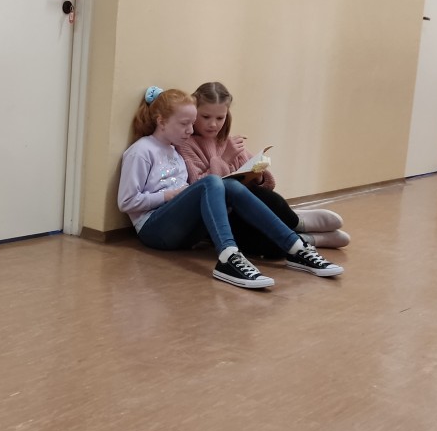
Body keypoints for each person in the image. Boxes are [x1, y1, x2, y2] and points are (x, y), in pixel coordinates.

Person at [117, 87, 345, 289]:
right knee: (213, 182)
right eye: (184, 124)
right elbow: (126, 202)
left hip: (183, 231)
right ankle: (228, 257)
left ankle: (296, 248)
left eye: (191, 123)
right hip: (153, 230)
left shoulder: (174, 150)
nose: (190, 130)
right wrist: (170, 195)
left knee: (230, 185)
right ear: (161, 121)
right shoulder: (141, 151)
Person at [175, 81, 350, 257]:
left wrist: (258, 176)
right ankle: (308, 239)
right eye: (206, 117)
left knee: (267, 198)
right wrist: (224, 160)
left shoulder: (228, 141)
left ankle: (297, 222)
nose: (213, 124)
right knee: (268, 249)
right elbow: (198, 187)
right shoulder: (185, 144)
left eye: (220, 118)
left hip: (244, 208)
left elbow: (267, 185)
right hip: (220, 216)